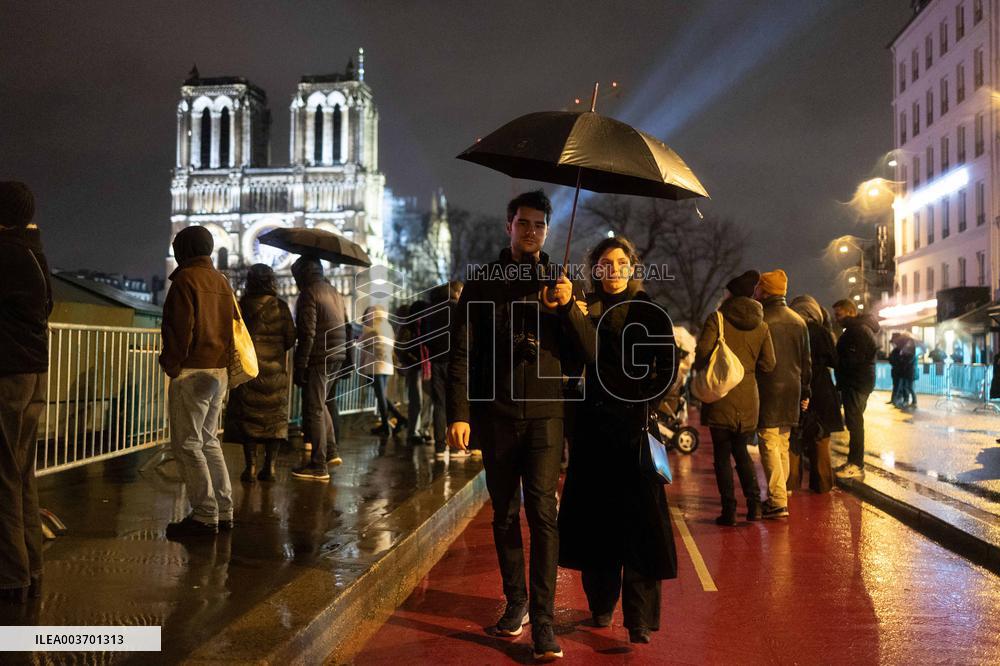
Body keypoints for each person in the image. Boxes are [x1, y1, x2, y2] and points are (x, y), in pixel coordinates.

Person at [446, 190, 590, 661]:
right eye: (523, 223)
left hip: (546, 413)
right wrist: (459, 413)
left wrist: (568, 307)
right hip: (496, 414)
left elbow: (590, 354)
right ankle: (518, 602)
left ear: (548, 231)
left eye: (539, 226)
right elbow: (461, 350)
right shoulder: (484, 282)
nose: (531, 232)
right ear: (508, 225)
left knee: (543, 515)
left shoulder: (561, 280)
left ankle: (545, 623)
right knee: (504, 514)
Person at [558, 236, 677, 644]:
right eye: (605, 263)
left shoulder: (651, 312)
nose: (613, 270)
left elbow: (666, 367)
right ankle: (601, 605)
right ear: (595, 269)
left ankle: (640, 619)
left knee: (642, 526)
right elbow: (571, 362)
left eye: (621, 262)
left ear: (632, 266)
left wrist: (647, 401)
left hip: (637, 429)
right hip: (594, 433)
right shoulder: (582, 309)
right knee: (598, 524)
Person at [160, 225, 236, 538]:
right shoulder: (222, 281)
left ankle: (205, 515)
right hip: (218, 370)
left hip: (193, 370)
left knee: (188, 444)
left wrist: (172, 364)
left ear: (186, 250)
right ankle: (224, 509)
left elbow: (181, 328)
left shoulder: (185, 280)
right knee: (208, 441)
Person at [0, 182, 51, 602]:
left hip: (8, 374)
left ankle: (9, 576)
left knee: (3, 476)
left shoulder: (5, 253)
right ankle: (31, 568)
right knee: (22, 476)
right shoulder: (35, 253)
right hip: (35, 374)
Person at [694, 270, 775, 525]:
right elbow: (769, 364)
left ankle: (728, 510)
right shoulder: (762, 325)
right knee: (742, 451)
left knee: (722, 455)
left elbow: (703, 354)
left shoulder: (716, 319)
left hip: (720, 395)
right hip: (748, 397)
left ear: (730, 293)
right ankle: (754, 507)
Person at [224, 264, 296, 483]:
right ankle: (271, 467)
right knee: (273, 419)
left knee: (249, 418)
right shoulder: (281, 307)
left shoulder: (243, 305)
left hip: (249, 369)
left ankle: (251, 467)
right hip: (275, 371)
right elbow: (290, 339)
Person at [754, 269, 811, 519]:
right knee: (783, 442)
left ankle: (777, 501)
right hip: (793, 388)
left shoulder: (762, 319)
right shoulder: (798, 321)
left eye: (759, 287)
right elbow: (805, 361)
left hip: (768, 387)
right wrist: (805, 391)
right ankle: (782, 492)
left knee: (768, 441)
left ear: (765, 291)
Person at [290, 256, 347, 481]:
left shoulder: (309, 293)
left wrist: (300, 364)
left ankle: (318, 465)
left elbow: (307, 332)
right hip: (337, 352)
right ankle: (330, 451)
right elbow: (346, 324)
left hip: (320, 354)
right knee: (321, 403)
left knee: (313, 408)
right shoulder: (334, 291)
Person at [788, 295, 842, 493]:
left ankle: (790, 484)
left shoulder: (790, 330)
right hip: (821, 391)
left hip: (795, 388)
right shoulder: (821, 332)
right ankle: (822, 484)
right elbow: (835, 361)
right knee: (820, 439)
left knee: (793, 440)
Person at [832, 298, 879, 479]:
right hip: (859, 381)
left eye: (839, 314)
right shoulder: (860, 329)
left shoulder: (857, 331)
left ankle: (856, 463)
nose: (836, 318)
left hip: (855, 382)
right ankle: (854, 462)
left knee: (855, 423)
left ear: (850, 312)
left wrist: (836, 361)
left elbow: (853, 360)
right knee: (854, 422)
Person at [358, 305, 407, 436]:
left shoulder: (371, 327)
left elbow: (362, 343)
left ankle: (387, 425)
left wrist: (361, 365)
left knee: (380, 397)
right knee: (382, 396)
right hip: (387, 365)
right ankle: (399, 420)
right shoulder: (388, 326)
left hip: (376, 366)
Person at [887, 332, 902, 405]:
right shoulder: (896, 350)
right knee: (896, 385)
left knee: (898, 385)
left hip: (899, 371)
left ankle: (896, 399)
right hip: (896, 371)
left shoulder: (899, 350)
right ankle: (894, 399)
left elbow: (894, 360)